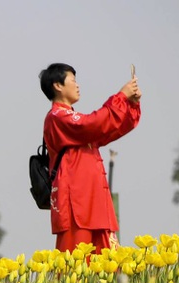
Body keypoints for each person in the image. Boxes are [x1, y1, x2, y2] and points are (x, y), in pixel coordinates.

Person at [40, 63, 141, 253]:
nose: (77, 85)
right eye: (73, 80)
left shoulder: (73, 120)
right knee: (76, 270)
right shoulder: (57, 117)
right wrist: (120, 97)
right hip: (76, 206)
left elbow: (109, 128)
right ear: (58, 85)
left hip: (95, 204)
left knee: (108, 267)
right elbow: (92, 124)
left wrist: (131, 104)